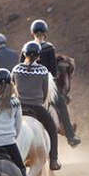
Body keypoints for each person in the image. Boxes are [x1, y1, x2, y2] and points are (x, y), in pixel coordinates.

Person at [25, 19, 81, 147]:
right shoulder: (49, 48)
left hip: (27, 87)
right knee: (61, 105)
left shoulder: (26, 47)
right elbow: (53, 71)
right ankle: (71, 136)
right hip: (46, 86)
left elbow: (21, 66)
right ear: (45, 33)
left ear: (32, 33)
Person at [13, 41, 61, 171]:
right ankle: (54, 160)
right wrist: (39, 102)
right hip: (36, 107)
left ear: (24, 54)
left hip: (18, 108)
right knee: (52, 129)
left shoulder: (16, 69)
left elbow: (13, 88)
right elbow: (45, 93)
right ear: (39, 56)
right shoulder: (43, 70)